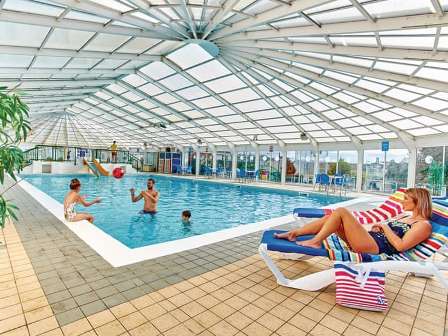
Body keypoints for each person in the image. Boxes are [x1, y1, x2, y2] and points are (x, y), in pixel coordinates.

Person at [275, 188, 432, 255]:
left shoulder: (423, 225)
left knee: (341, 212)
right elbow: (388, 231)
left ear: (418, 201)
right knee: (332, 217)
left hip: (375, 247)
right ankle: (293, 233)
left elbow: (400, 246)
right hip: (369, 238)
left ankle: (316, 241)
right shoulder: (404, 216)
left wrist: (385, 227)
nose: (401, 202)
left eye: (406, 199)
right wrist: (379, 227)